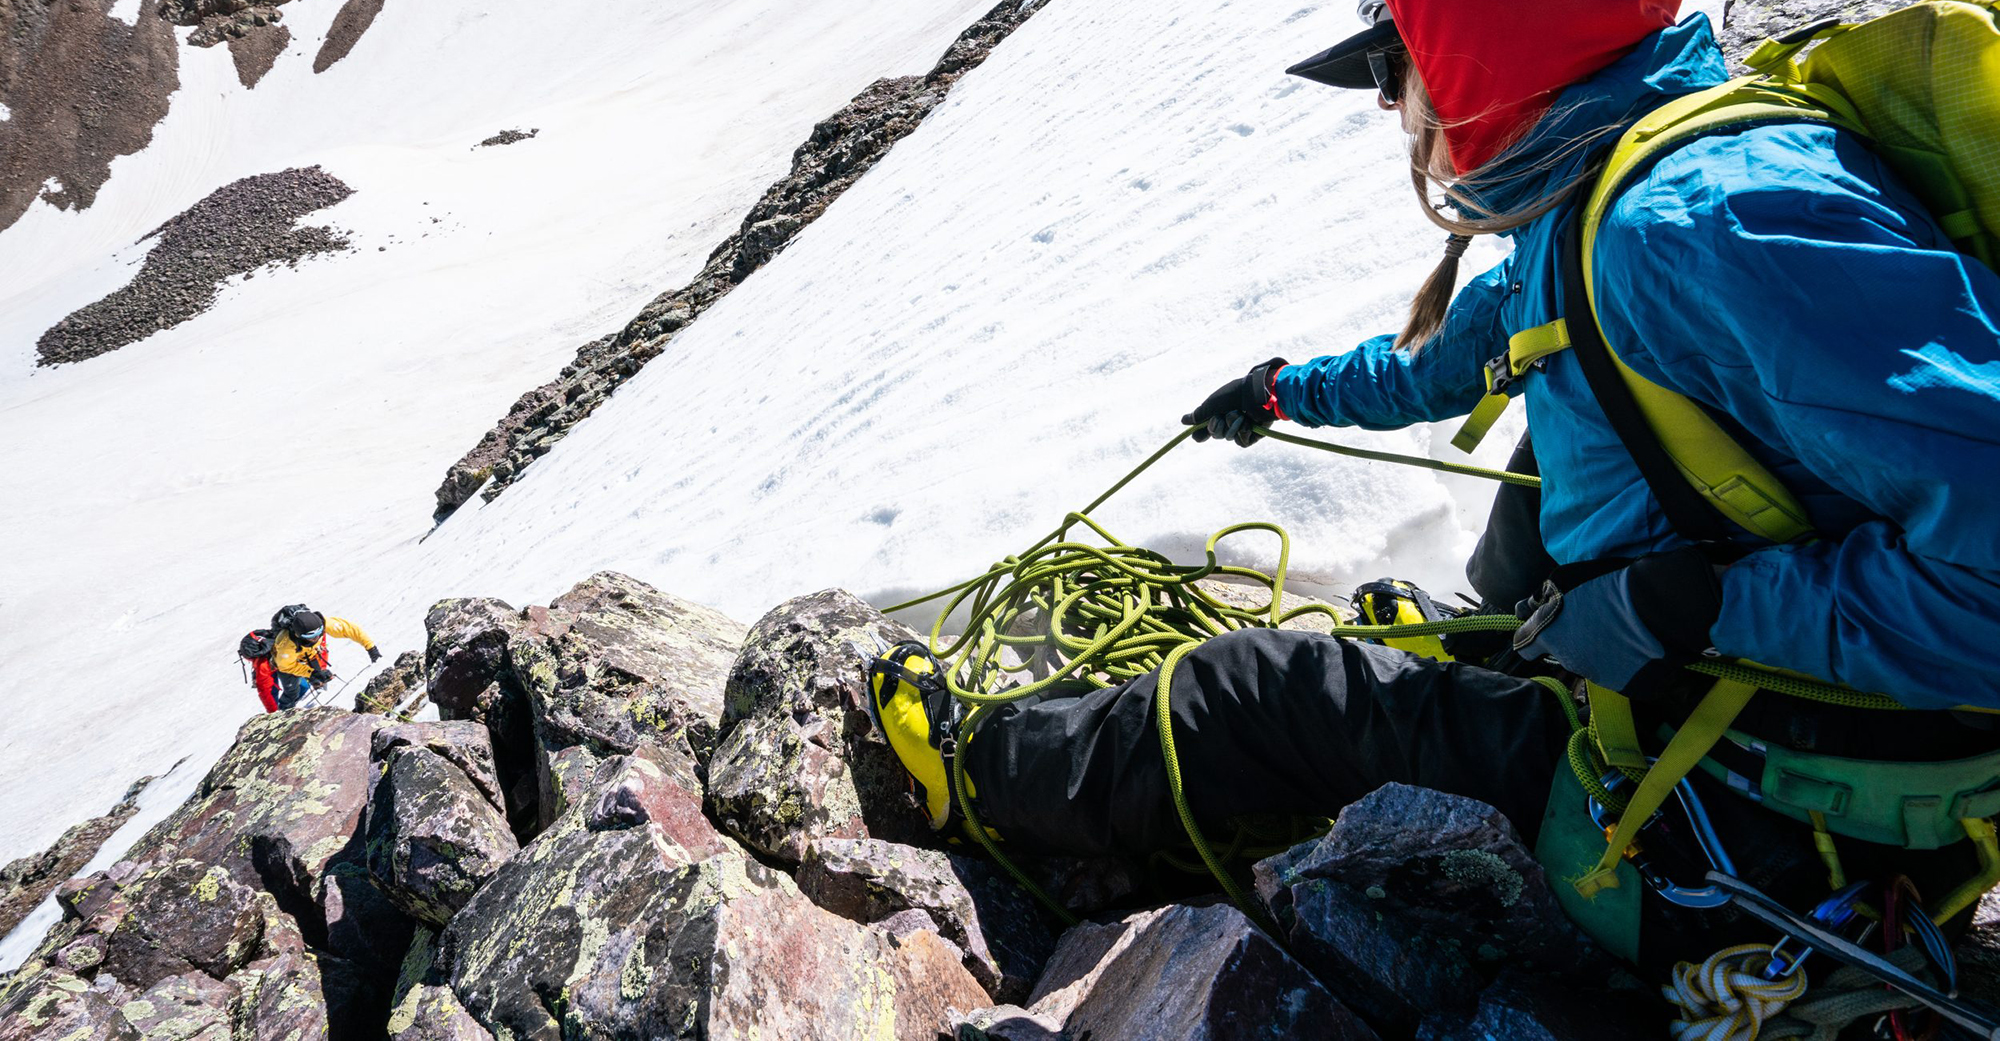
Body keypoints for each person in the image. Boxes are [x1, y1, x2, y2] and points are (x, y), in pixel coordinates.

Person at [873, 0, 2000, 988]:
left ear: (1474, 45)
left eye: (1387, 63)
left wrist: (1689, 610)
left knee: (1254, 689)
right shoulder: (1606, 192)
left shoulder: (1692, 228)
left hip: (1777, 827)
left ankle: (971, 776)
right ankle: (1496, 679)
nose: (1383, 105)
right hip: (1785, 737)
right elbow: (1443, 363)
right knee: (1537, 479)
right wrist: (1279, 392)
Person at [252, 605, 381, 712]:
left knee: (317, 677)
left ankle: (316, 687)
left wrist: (371, 648)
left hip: (310, 653)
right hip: (289, 663)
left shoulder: (323, 622)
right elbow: (285, 666)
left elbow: (350, 629)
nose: (316, 638)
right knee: (292, 690)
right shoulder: (286, 645)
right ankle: (284, 713)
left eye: (319, 634)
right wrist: (310, 673)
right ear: (298, 635)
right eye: (311, 636)